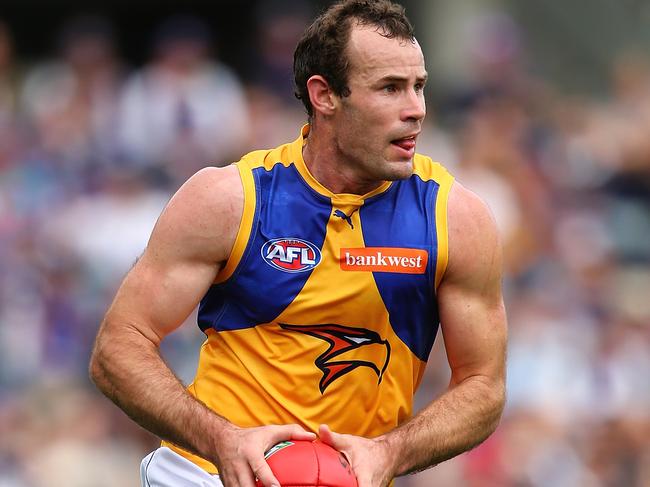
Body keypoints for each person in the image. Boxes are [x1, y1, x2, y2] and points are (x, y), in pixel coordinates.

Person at [89, 1, 507, 486]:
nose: (415, 110)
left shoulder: (456, 218)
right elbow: (118, 348)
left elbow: (484, 387)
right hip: (205, 474)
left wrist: (391, 452)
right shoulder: (231, 199)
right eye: (390, 88)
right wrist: (221, 440)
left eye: (419, 86)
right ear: (324, 95)